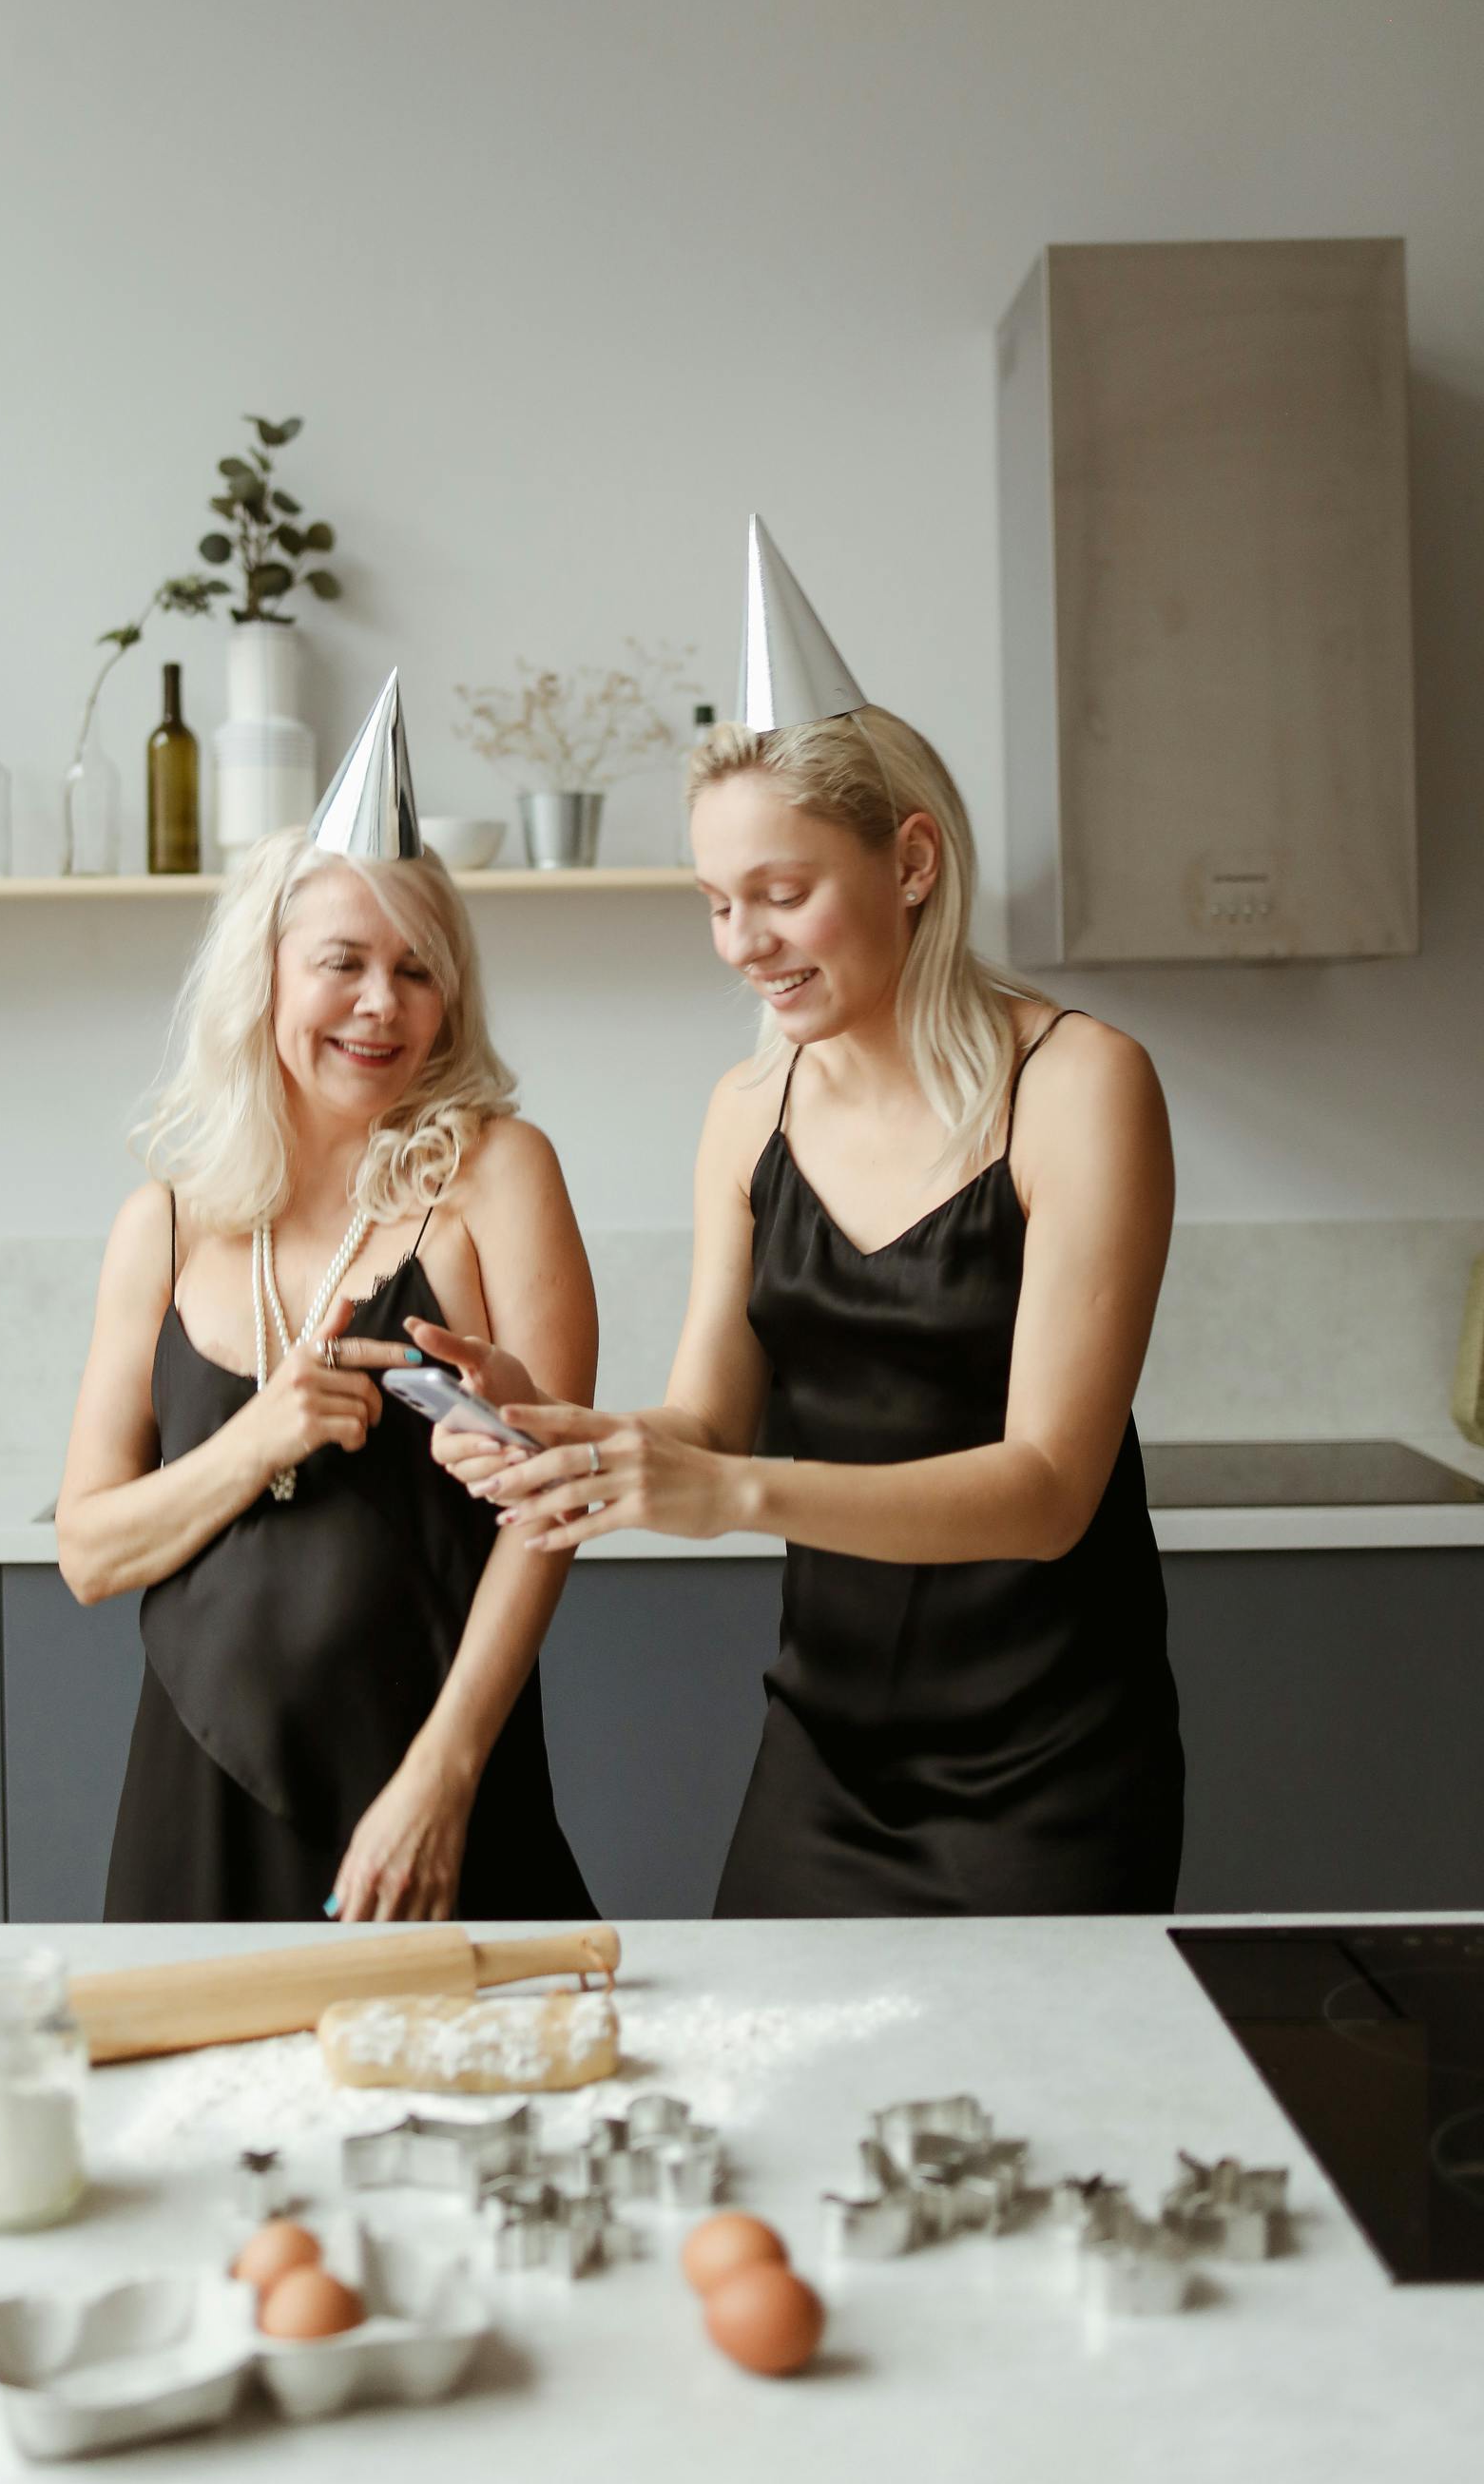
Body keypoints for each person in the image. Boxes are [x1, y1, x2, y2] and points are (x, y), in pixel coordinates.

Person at [423, 525, 1184, 1917]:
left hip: (1052, 1763)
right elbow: (711, 1421)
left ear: (911, 859)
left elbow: (1048, 1490)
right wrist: (583, 1435)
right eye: (718, 904)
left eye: (782, 895)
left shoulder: (1080, 1087)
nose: (744, 942)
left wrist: (729, 1496)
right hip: (823, 1746)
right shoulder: (747, 1110)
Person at [56, 674, 597, 1925]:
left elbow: (548, 1504)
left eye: (416, 971)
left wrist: (443, 1779)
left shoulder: (494, 1176)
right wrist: (263, 1435)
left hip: (430, 1787)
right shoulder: (168, 1225)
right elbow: (91, 1551)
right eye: (342, 964)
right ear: (265, 979)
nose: (380, 1005)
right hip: (196, 1793)